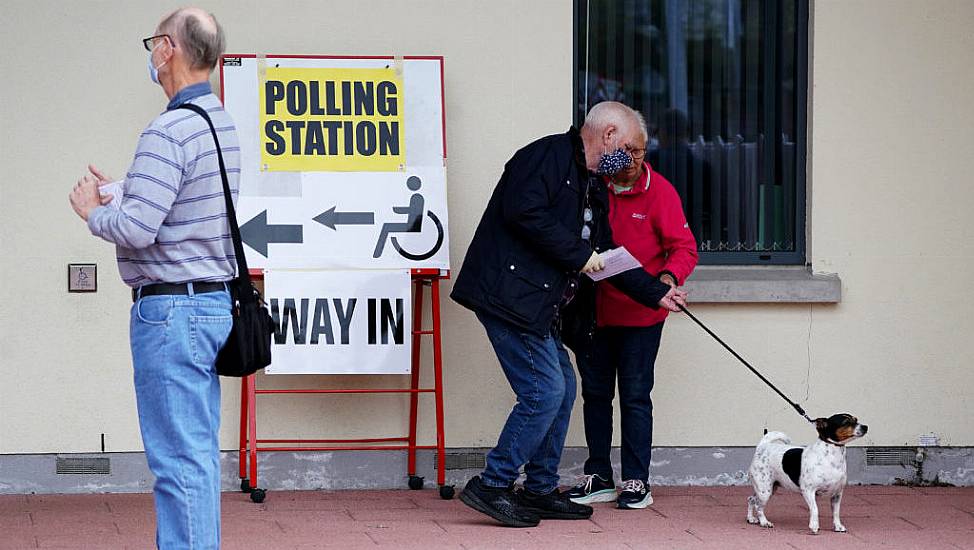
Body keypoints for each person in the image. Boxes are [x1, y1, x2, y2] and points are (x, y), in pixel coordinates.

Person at [450, 101, 687, 527]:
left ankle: (539, 489)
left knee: (561, 387)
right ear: (609, 135)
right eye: (631, 148)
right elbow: (524, 213)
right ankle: (493, 483)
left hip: (538, 305)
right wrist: (582, 257)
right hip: (508, 296)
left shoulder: (593, 182)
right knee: (544, 392)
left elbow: (609, 254)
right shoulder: (545, 156)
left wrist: (656, 293)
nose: (634, 159)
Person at [68, 8, 237, 549]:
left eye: (153, 43)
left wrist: (93, 211)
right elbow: (186, 204)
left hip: (170, 312)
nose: (151, 54)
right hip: (212, 303)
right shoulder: (219, 123)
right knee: (197, 457)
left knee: (176, 464)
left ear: (168, 49)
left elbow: (139, 229)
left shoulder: (167, 130)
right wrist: (126, 188)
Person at [565, 110, 698, 510]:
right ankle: (598, 476)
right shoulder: (592, 187)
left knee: (637, 397)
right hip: (594, 314)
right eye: (629, 151)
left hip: (642, 317)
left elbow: (684, 248)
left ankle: (637, 480)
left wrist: (669, 279)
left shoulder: (662, 192)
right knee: (595, 395)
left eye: (641, 152)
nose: (635, 160)